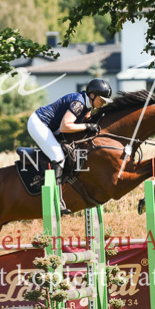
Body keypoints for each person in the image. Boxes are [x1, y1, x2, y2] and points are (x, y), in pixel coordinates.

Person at [27, 78, 112, 211]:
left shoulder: (88, 105)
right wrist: (87, 126)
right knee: (58, 156)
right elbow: (65, 127)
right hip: (39, 123)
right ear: (92, 95)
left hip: (52, 127)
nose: (103, 103)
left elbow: (85, 120)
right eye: (101, 100)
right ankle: (57, 200)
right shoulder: (78, 103)